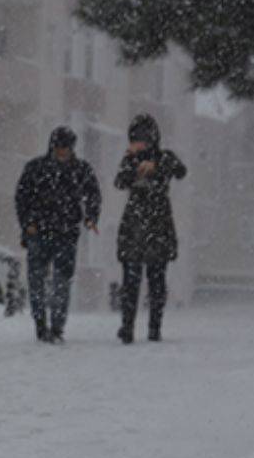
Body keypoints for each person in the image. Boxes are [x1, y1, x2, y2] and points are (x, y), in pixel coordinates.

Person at [14, 126, 101, 343]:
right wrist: (27, 224)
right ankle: (41, 324)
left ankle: (57, 327)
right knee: (37, 281)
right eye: (60, 148)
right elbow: (21, 198)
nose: (63, 152)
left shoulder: (80, 170)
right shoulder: (36, 169)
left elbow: (93, 194)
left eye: (66, 148)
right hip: (39, 232)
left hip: (66, 234)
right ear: (52, 147)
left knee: (61, 282)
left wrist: (91, 217)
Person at [114, 114, 187, 344]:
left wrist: (156, 166)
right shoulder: (129, 160)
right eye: (135, 139)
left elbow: (180, 170)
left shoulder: (165, 157)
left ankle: (154, 327)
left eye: (143, 139)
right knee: (131, 280)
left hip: (157, 223)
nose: (139, 144)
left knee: (156, 279)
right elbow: (119, 182)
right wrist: (135, 166)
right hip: (135, 225)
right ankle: (127, 326)